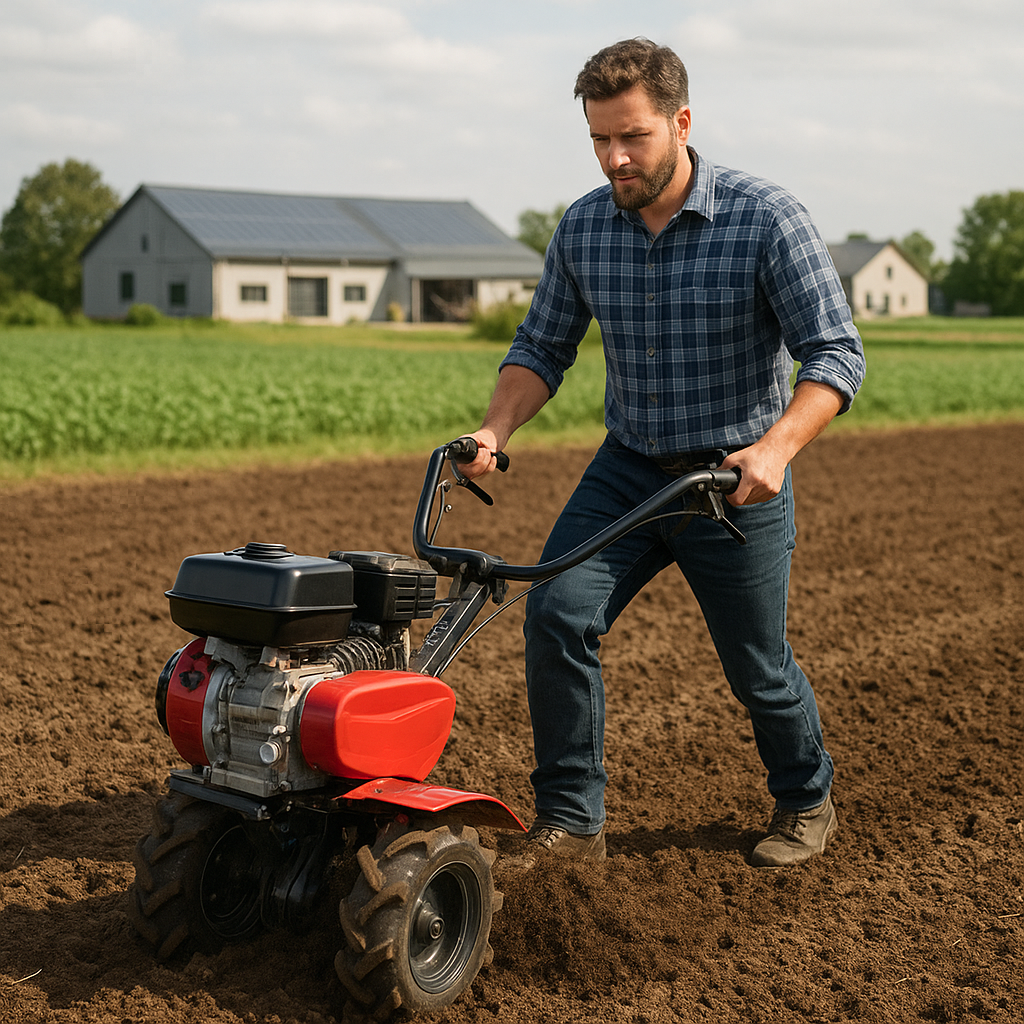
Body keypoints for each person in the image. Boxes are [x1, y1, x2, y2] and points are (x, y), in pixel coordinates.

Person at [458, 38, 866, 868]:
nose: (615, 158)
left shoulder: (765, 217)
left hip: (732, 482)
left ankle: (805, 796)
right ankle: (572, 822)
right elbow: (541, 348)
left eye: (633, 137)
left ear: (681, 123)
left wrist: (776, 448)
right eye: (600, 139)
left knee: (757, 666)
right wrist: (494, 432)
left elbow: (835, 353)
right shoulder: (584, 226)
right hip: (629, 470)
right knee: (558, 614)